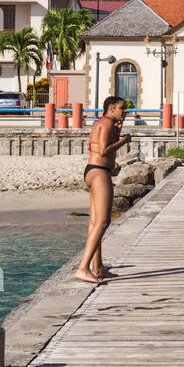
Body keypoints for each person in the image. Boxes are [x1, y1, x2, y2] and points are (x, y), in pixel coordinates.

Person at [75, 95, 132, 285]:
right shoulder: (106, 123)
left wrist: (119, 132)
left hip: (95, 171)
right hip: (99, 172)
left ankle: (97, 267)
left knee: (94, 223)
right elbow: (104, 151)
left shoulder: (106, 123)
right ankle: (83, 268)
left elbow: (104, 147)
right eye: (122, 108)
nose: (126, 111)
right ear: (111, 108)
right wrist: (124, 140)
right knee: (103, 221)